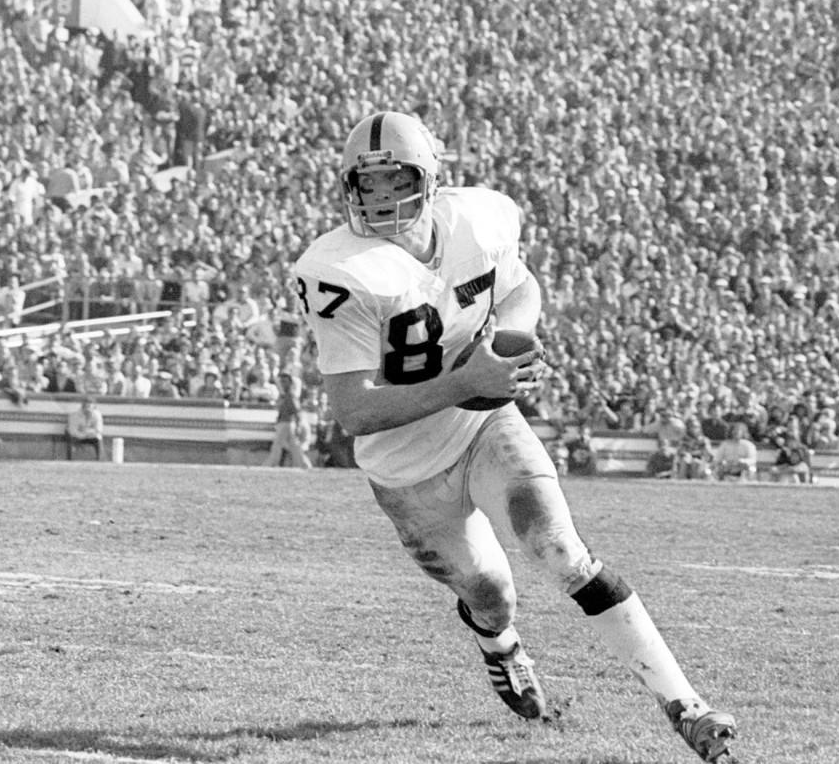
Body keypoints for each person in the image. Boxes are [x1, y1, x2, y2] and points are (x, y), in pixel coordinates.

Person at [293, 112, 736, 763]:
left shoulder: (481, 220)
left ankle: (688, 710)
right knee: (491, 594)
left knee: (562, 550)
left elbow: (521, 287)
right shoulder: (338, 269)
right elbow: (354, 410)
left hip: (484, 423)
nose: (384, 198)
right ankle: (499, 645)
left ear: (432, 177)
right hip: (406, 465)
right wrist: (464, 378)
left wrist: (511, 345)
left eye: (398, 180)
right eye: (370, 183)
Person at [264, 371, 312, 468]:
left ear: (290, 383)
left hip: (287, 424)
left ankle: (271, 464)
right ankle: (305, 464)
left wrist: (298, 426)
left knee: (277, 445)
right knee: (294, 447)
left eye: (284, 382)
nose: (282, 384)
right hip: (287, 424)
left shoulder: (291, 396)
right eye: (282, 382)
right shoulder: (286, 396)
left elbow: (297, 412)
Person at [66, 395, 104, 460]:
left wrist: (86, 432)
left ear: (94, 407)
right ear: (82, 406)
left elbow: (99, 430)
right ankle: (69, 460)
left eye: (90, 406)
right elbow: (73, 431)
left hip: (90, 436)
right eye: (86, 406)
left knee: (98, 440)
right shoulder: (74, 415)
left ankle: (99, 460)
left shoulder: (97, 415)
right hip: (77, 436)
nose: (88, 409)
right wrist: (84, 434)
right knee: (70, 438)